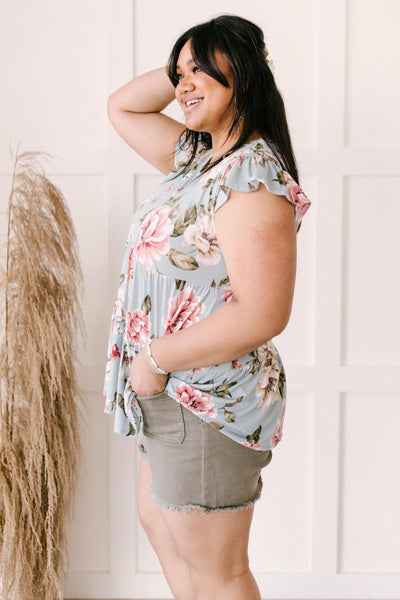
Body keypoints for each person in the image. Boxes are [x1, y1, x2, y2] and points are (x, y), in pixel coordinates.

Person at [104, 14, 310, 600]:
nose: (183, 82)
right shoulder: (201, 157)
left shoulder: (251, 177)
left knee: (217, 570)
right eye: (180, 68)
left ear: (241, 76)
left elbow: (265, 312)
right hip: (171, 391)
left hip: (206, 396)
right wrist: (191, 80)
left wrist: (155, 359)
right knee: (166, 533)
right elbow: (122, 106)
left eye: (201, 69)